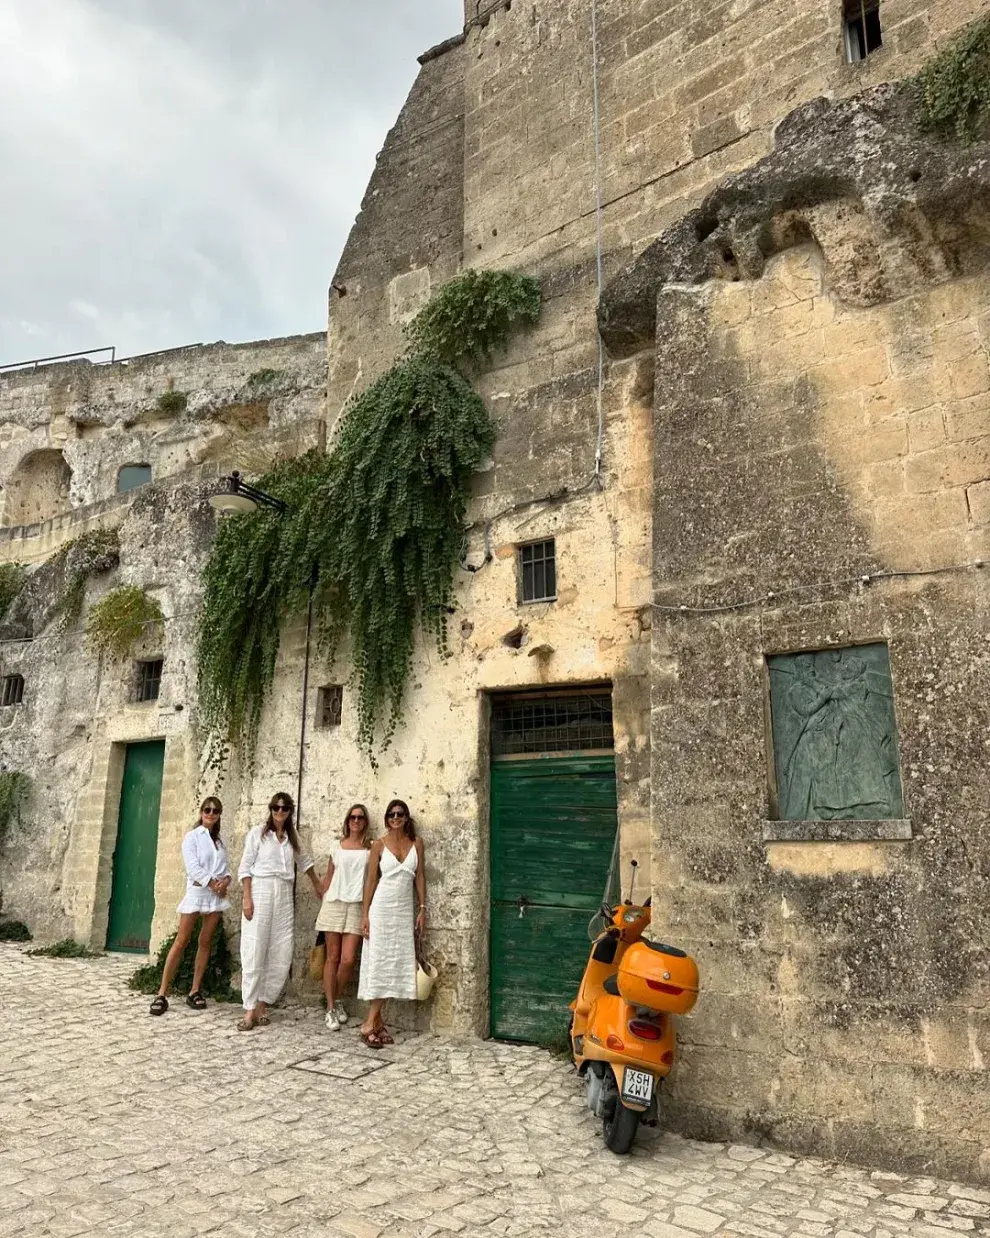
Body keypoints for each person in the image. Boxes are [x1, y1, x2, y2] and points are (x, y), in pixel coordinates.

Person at [237, 791, 321, 1031]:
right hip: (261, 889)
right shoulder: (257, 834)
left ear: (289, 812)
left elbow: (305, 862)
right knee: (255, 947)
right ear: (271, 809)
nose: (280, 812)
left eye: (284, 809)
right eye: (276, 808)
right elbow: (245, 867)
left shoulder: (293, 838)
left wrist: (317, 884)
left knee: (281, 948)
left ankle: (264, 1002)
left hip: (284, 892)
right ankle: (249, 1009)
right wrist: (246, 898)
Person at [149, 797, 230, 1016]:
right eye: (207, 810)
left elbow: (225, 867)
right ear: (201, 812)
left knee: (205, 942)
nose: (211, 814)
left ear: (219, 814)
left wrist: (226, 882)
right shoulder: (192, 837)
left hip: (215, 896)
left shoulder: (220, 842)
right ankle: (162, 992)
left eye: (215, 811)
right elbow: (192, 867)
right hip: (198, 892)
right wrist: (213, 883)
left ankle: (194, 990)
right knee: (182, 940)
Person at [357, 798, 426, 1048]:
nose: (395, 818)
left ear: (406, 818)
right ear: (387, 818)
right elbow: (371, 881)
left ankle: (377, 1023)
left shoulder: (416, 844)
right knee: (379, 964)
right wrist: (364, 915)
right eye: (391, 815)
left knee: (394, 964)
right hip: (382, 910)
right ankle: (369, 1023)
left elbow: (420, 877)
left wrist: (422, 908)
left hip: (403, 912)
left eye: (400, 814)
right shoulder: (378, 844)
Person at [315, 804, 372, 1031]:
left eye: (360, 818)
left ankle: (334, 998)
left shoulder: (370, 849)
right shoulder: (336, 847)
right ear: (347, 821)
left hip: (357, 905)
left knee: (348, 960)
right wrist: (319, 887)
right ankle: (330, 1007)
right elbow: (329, 876)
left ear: (365, 822)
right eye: (352, 817)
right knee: (332, 957)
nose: (355, 821)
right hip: (334, 903)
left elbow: (371, 880)